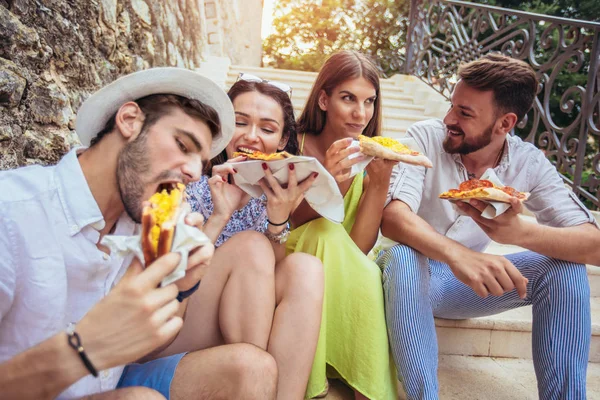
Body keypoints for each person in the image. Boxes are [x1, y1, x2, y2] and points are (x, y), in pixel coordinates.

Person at [0, 67, 278, 400]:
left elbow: (146, 350)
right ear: (130, 120)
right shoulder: (12, 213)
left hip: (110, 384)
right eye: (182, 145)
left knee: (253, 366)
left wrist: (180, 287)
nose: (192, 173)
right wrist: (81, 350)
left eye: (200, 162)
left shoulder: (145, 222)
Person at [378, 53, 598, 400]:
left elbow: (594, 245)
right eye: (452, 106)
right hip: (406, 275)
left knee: (565, 270)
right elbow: (392, 216)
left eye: (465, 114)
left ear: (504, 123)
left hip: (463, 289)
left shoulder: (529, 163)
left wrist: (519, 233)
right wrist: (458, 255)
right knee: (404, 256)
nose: (449, 118)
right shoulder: (424, 136)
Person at [165, 75, 324, 400]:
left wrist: (278, 221)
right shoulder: (191, 180)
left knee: (306, 267)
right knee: (251, 245)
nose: (251, 137)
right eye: (240, 123)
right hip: (175, 324)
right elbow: (170, 280)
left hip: (241, 331)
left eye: (266, 129)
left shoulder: (268, 196)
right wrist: (221, 215)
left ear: (281, 141)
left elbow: (272, 279)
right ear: (222, 127)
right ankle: (256, 385)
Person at [289, 50, 398, 400]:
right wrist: (330, 185)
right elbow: (287, 221)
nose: (360, 113)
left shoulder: (368, 157)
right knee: (324, 231)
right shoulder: (293, 144)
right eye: (348, 98)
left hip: (339, 260)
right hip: (288, 252)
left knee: (362, 263)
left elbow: (358, 247)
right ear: (323, 98)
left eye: (369, 102)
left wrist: (379, 185)